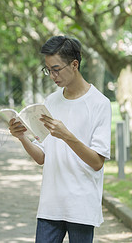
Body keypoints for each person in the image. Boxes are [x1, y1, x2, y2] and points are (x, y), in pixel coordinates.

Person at [9, 35, 111, 243]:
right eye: (48, 70)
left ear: (75, 64)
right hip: (50, 204)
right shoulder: (51, 101)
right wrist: (22, 137)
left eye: (56, 69)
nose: (52, 76)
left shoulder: (100, 103)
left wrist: (67, 136)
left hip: (81, 205)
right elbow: (42, 157)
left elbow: (97, 162)